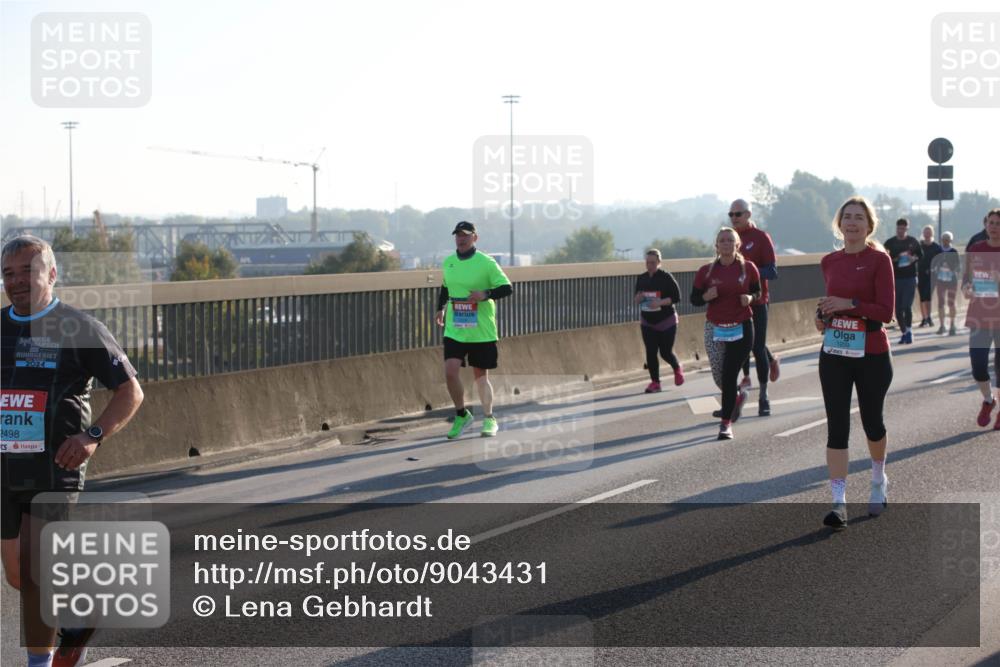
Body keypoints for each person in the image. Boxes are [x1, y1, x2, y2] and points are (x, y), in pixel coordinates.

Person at [1, 235, 144, 667]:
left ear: (52, 274)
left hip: (54, 467)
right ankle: (78, 616)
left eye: (27, 271)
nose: (16, 281)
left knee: (35, 570)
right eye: (8, 274)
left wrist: (92, 436)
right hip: (5, 468)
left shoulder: (79, 327)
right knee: (18, 576)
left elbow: (130, 391)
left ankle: (39, 663)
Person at [815, 197, 895, 530]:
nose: (851, 222)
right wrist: (822, 316)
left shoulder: (880, 260)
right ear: (839, 223)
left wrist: (849, 303)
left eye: (858, 217)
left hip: (871, 352)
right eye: (846, 216)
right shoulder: (829, 261)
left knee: (872, 422)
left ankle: (878, 480)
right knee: (837, 426)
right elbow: (830, 303)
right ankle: (839, 502)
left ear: (869, 225)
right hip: (835, 351)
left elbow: (886, 312)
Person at [435, 221, 513, 439]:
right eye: (458, 235)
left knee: (480, 376)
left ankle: (489, 417)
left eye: (465, 235)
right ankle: (461, 414)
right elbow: (445, 287)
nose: (461, 239)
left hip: (481, 330)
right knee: (450, 371)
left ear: (474, 238)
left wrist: (485, 294)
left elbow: (507, 288)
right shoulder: (449, 262)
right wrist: (440, 308)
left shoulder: (486, 262)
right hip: (456, 328)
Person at [691, 227, 760, 441]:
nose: (726, 243)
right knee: (719, 376)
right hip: (715, 327)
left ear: (737, 244)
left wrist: (750, 298)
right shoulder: (706, 271)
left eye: (730, 240)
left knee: (729, 375)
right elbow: (694, 299)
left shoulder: (748, 268)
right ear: (716, 246)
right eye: (722, 240)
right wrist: (706, 296)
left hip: (741, 327)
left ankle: (725, 423)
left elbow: (758, 292)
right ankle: (736, 397)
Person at [730, 199, 781, 416]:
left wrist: (751, 272)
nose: (734, 218)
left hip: (759, 301)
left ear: (748, 214)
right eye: (731, 214)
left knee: (757, 347)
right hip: (737, 303)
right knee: (741, 345)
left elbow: (772, 271)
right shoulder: (729, 239)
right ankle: (745, 382)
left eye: (738, 214)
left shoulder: (760, 237)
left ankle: (763, 395)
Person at [961, 208, 1000, 430]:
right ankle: (988, 400)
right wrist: (966, 288)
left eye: (998, 223)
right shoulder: (976, 249)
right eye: (991, 222)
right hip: (979, 317)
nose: (994, 227)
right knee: (978, 366)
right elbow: (966, 278)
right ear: (986, 225)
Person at [634, 249, 683, 393]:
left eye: (653, 263)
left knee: (665, 352)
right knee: (650, 352)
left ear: (659, 262)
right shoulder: (641, 278)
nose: (650, 265)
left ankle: (677, 368)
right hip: (647, 321)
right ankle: (655, 382)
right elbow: (636, 297)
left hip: (666, 320)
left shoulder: (666, 277)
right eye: (648, 263)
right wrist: (638, 298)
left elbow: (677, 297)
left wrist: (660, 302)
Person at [883, 218, 922, 345]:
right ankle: (904, 332)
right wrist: (896, 259)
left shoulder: (912, 241)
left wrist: (913, 258)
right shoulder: (890, 243)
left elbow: (920, 255)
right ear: (896, 228)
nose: (901, 231)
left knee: (907, 306)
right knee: (898, 309)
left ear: (907, 229)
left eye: (903, 229)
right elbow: (884, 259)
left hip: (910, 278)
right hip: (896, 278)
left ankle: (909, 331)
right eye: (899, 228)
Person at [932, 231, 961, 336]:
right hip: (941, 280)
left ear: (950, 240)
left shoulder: (954, 251)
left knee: (951, 302)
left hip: (952, 280)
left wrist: (952, 268)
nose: (945, 241)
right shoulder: (938, 251)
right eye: (944, 239)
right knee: (941, 302)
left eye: (947, 240)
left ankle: (952, 325)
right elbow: (933, 264)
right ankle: (942, 325)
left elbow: (958, 266)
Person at [916, 224, 942, 328]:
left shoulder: (936, 247)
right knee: (922, 297)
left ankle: (929, 317)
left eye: (929, 232)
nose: (927, 234)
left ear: (932, 233)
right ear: (923, 233)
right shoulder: (919, 246)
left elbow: (941, 260)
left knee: (928, 296)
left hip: (932, 275)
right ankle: (924, 318)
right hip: (920, 274)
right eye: (925, 232)